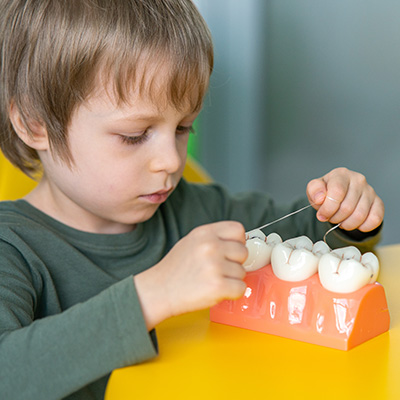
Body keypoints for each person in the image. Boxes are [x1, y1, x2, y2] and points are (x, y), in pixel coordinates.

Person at [0, 1, 384, 399]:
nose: (171, 161)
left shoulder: (196, 212)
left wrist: (347, 212)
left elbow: (310, 238)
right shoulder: (11, 246)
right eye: (134, 135)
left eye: (184, 127)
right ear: (34, 123)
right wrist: (154, 294)